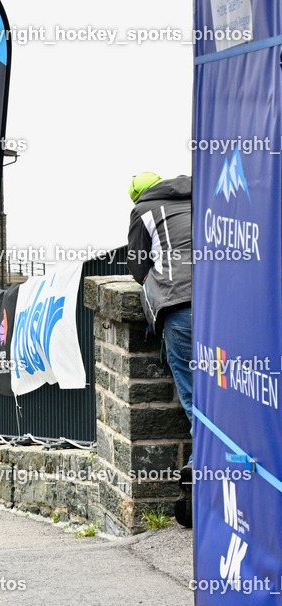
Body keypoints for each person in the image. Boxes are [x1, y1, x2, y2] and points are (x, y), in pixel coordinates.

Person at [126, 172, 193, 525]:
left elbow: (138, 266)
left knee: (198, 400)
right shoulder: (204, 195)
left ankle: (199, 480)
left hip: (181, 308)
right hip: (228, 306)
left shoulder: (145, 209)